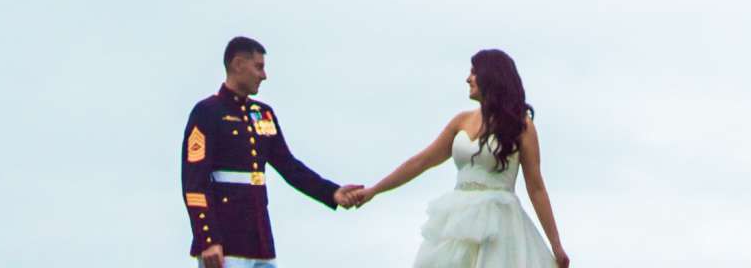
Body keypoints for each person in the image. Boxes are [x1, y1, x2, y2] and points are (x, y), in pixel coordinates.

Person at [345, 48, 569, 268]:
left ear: (491, 77)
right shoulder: (460, 121)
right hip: (457, 222)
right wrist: (373, 190)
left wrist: (556, 245)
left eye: (474, 72)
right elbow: (420, 162)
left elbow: (536, 186)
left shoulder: (522, 126)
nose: (468, 79)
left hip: (500, 226)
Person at [181, 35, 363, 267]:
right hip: (224, 244)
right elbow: (194, 183)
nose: (263, 76)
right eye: (258, 67)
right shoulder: (207, 112)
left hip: (260, 243)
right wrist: (207, 239)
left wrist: (332, 192)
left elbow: (290, 166)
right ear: (238, 64)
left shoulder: (263, 114)